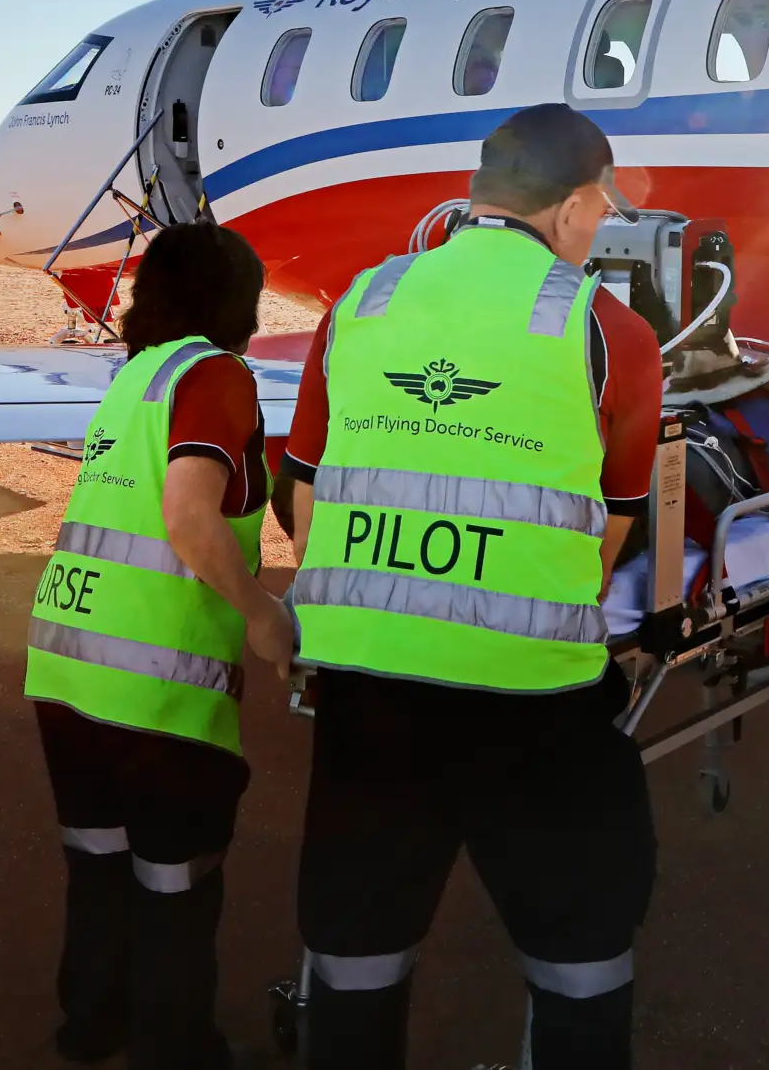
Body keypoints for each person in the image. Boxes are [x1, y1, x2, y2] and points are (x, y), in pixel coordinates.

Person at [277, 103, 664, 1070]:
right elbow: (608, 533)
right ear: (574, 206)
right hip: (533, 702)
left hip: (367, 696)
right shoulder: (609, 330)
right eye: (600, 212)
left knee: (355, 959)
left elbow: (305, 505)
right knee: (580, 963)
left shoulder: (359, 302)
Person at [23, 220, 295, 1067]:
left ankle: (91, 1024)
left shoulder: (136, 375)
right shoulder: (215, 373)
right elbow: (188, 514)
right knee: (175, 882)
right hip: (159, 680)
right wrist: (261, 612)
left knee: (98, 862)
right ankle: (176, 1048)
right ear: (234, 301)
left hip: (67, 663)